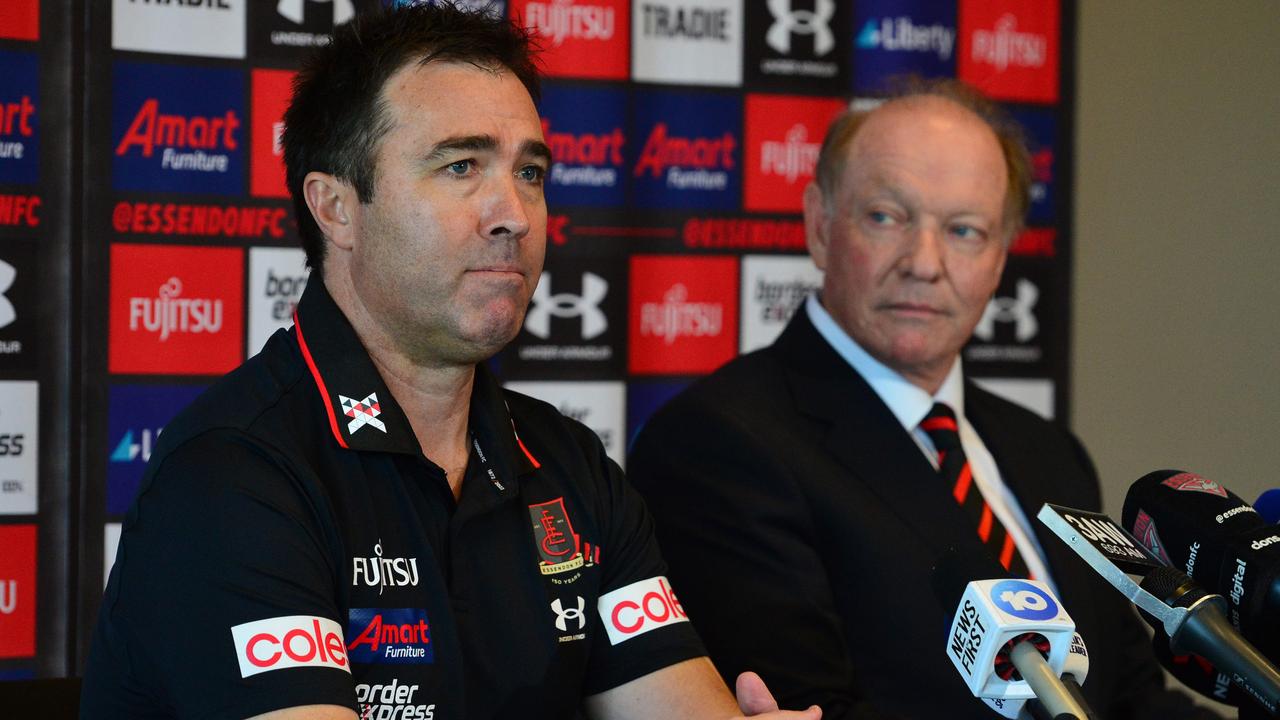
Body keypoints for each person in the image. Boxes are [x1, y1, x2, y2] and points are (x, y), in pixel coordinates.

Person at [79, 5, 819, 720]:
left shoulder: (570, 468)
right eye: (461, 166)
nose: (515, 215)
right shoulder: (235, 475)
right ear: (335, 207)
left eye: (530, 172)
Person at [627, 80, 1220, 719]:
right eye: (887, 217)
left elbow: (1127, 697)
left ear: (1000, 258)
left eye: (965, 230)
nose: (924, 262)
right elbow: (807, 707)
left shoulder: (1049, 453)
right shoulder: (717, 442)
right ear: (821, 225)